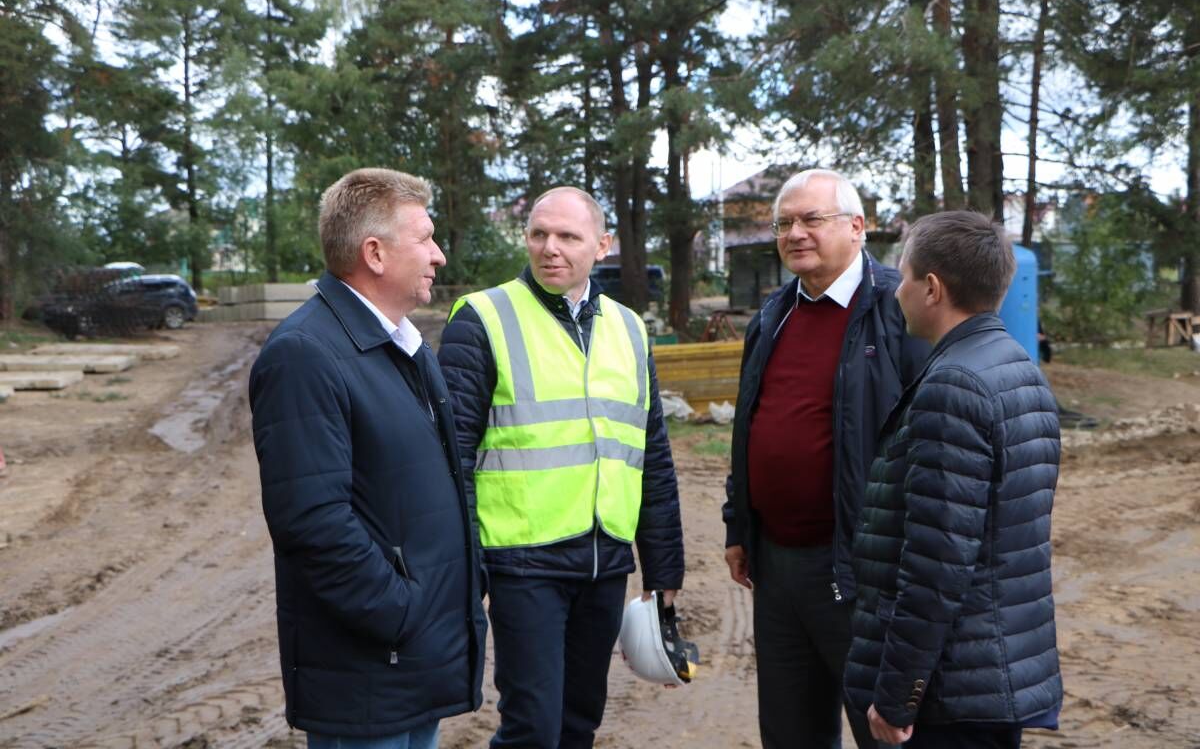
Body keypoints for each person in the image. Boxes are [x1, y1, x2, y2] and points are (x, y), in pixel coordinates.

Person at [438, 186, 685, 749]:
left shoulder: (629, 328)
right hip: (524, 563)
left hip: (604, 561)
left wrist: (664, 572)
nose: (550, 248)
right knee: (533, 726)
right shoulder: (482, 318)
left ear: (602, 246)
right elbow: (449, 457)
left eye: (568, 237)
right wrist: (467, 568)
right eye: (538, 234)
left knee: (580, 722)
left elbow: (652, 455)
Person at [249, 168, 487, 748]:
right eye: (425, 239)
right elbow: (311, 522)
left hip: (410, 659)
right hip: (368, 670)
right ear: (374, 253)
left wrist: (458, 586)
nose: (438, 256)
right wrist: (403, 611)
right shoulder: (304, 355)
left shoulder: (406, 346)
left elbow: (445, 480)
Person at [721, 169, 929, 749]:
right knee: (790, 733)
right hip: (778, 568)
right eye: (784, 222)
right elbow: (749, 428)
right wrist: (739, 523)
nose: (794, 233)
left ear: (857, 227)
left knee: (882, 732)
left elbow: (928, 439)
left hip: (863, 571)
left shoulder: (899, 309)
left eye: (811, 219)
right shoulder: (772, 315)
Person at [843, 210, 1063, 749]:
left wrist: (898, 695)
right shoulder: (1016, 368)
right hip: (989, 677)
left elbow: (935, 567)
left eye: (905, 277)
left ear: (932, 288)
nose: (896, 294)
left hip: (951, 698)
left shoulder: (954, 386)